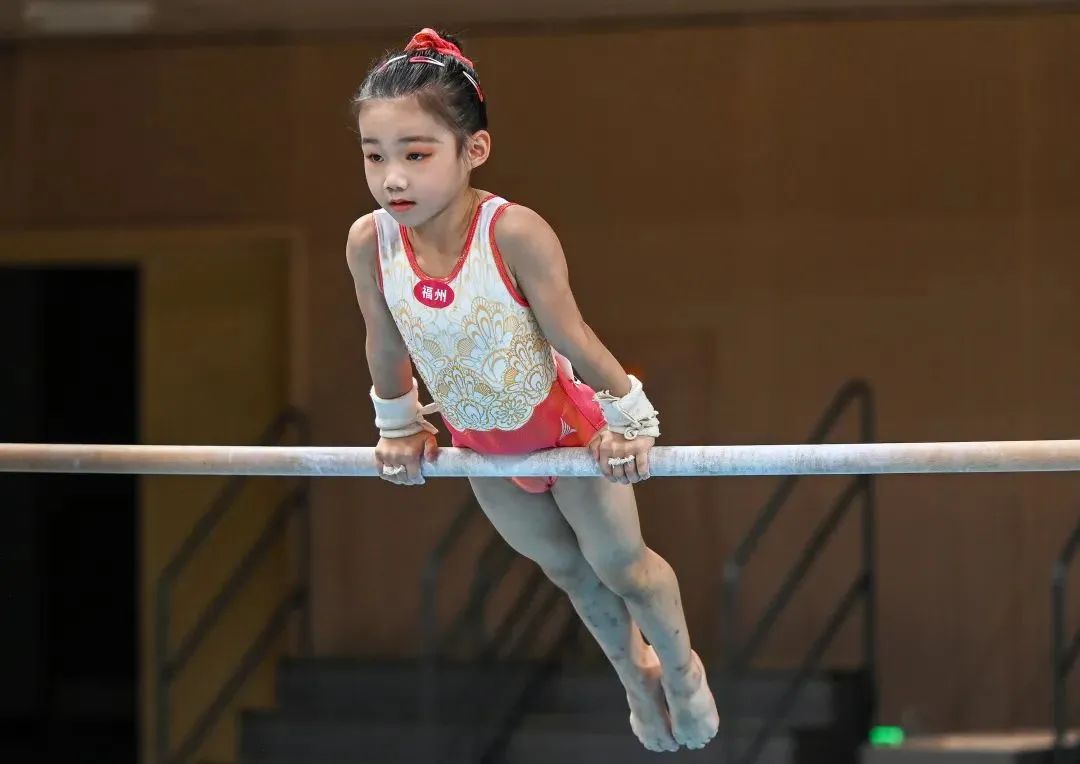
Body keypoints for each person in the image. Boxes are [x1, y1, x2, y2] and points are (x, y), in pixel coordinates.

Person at [345, 28, 718, 752]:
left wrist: (631, 416)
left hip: (569, 435)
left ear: (473, 150)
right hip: (485, 451)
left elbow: (573, 336)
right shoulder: (371, 241)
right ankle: (636, 678)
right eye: (374, 156)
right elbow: (384, 341)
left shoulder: (512, 231)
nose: (392, 178)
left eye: (416, 155)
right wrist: (398, 424)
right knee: (571, 574)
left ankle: (682, 673)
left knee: (622, 567)